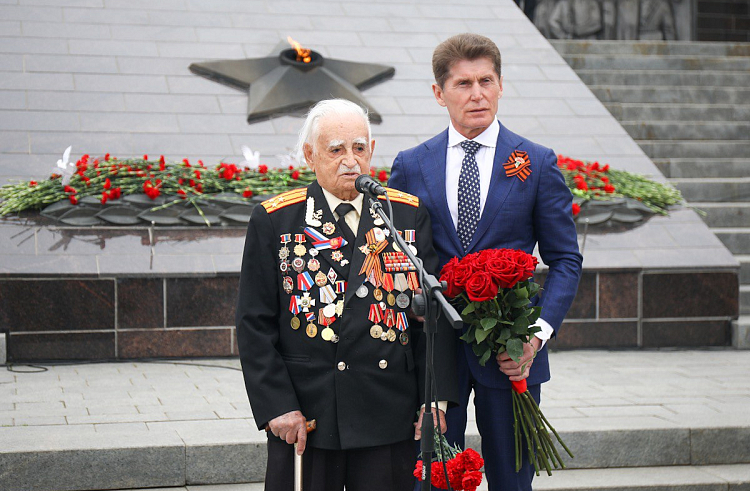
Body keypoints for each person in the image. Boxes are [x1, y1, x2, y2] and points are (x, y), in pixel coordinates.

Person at [388, 34, 583, 491]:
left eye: (486, 81)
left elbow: (565, 259)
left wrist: (534, 339)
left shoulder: (536, 162)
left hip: (512, 353)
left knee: (513, 482)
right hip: (437, 355)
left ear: (500, 85)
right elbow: (395, 259)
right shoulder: (412, 165)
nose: (477, 94)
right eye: (463, 84)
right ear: (439, 93)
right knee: (434, 481)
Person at [236, 98, 458, 491]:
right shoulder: (276, 220)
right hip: (306, 415)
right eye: (335, 150)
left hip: (387, 412)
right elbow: (254, 323)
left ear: (372, 152)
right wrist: (277, 405)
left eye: (359, 148)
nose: (350, 161)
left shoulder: (404, 216)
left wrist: (434, 401)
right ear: (310, 155)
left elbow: (432, 320)